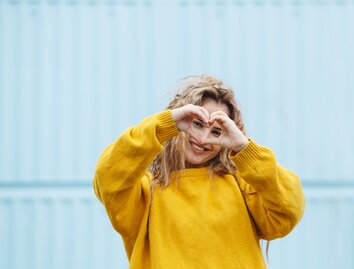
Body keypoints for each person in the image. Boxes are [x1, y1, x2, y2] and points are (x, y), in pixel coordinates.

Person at [93, 74, 305, 269]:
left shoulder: (244, 185)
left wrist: (244, 148)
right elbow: (108, 177)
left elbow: (288, 210)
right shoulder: (144, 192)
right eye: (196, 124)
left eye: (216, 131)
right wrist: (163, 125)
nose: (203, 139)